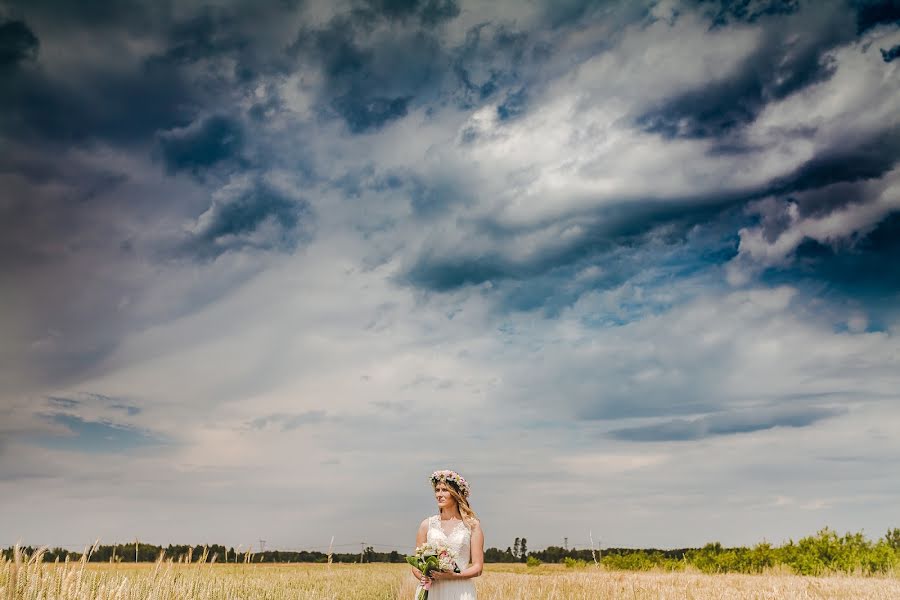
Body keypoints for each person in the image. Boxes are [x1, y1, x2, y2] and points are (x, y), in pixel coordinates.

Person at [411, 469, 484, 599]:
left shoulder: (472, 526)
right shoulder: (426, 525)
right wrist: (423, 577)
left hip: (460, 590)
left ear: (456, 494)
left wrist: (454, 576)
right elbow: (416, 565)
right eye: (437, 490)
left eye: (444, 490)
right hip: (433, 590)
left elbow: (478, 567)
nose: (439, 494)